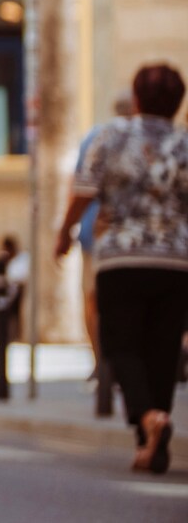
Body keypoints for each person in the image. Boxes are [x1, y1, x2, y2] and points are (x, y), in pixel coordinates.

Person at [56, 60, 188, 474]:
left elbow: (84, 190)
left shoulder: (110, 136)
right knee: (164, 348)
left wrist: (65, 232)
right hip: (176, 260)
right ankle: (151, 434)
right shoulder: (185, 144)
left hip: (122, 259)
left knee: (122, 344)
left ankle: (147, 420)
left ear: (136, 97)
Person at [76, 93, 139, 371]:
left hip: (96, 234)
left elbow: (79, 187)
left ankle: (101, 363)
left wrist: (65, 229)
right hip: (133, 238)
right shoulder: (149, 141)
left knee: (94, 299)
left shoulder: (96, 138)